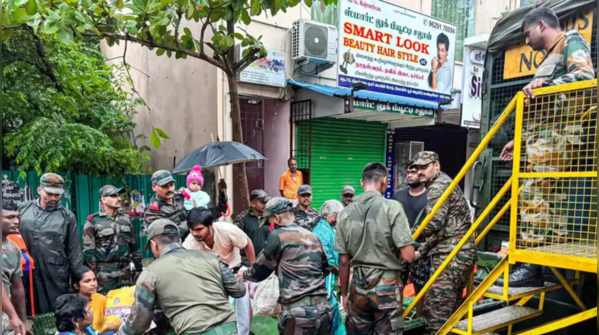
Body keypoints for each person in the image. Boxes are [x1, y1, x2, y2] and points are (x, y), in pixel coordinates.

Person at [499, 7, 595, 288]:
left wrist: (547, 84)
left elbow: (586, 76)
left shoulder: (571, 40)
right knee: (551, 197)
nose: (526, 42)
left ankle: (532, 264)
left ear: (541, 25)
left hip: (560, 135)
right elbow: (545, 108)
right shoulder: (549, 56)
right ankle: (547, 257)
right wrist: (520, 139)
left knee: (532, 191)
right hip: (547, 136)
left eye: (527, 34)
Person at [118, 219, 246, 335]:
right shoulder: (213, 259)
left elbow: (139, 323)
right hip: (230, 331)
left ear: (153, 244)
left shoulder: (150, 274)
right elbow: (239, 290)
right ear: (179, 241)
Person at [335, 162, 416, 335]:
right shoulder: (392, 207)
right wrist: (421, 251)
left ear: (361, 182)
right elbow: (408, 256)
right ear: (385, 181)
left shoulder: (344, 213)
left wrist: (343, 294)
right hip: (386, 288)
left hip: (358, 287)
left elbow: (343, 260)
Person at [239, 197, 332, 335]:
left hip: (299, 314)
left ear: (276, 218)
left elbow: (259, 272)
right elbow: (325, 268)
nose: (270, 226)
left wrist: (244, 274)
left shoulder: (278, 236)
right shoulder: (312, 236)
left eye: (269, 222)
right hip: (324, 310)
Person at [409, 152, 477, 335]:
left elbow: (433, 224)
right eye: (418, 168)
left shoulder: (437, 186)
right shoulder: (445, 181)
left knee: (436, 310)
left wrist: (406, 237)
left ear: (436, 166)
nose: (420, 172)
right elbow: (443, 230)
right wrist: (421, 251)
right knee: (451, 309)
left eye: (425, 167)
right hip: (461, 253)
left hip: (451, 256)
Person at [182, 208, 255, 335]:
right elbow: (184, 265)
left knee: (242, 305)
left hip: (234, 272)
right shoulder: (189, 242)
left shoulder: (227, 230)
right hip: (210, 277)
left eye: (199, 229)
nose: (195, 233)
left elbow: (247, 243)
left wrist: (253, 269)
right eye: (192, 230)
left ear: (210, 226)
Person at [18, 173, 84, 314]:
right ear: (40, 190)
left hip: (55, 274)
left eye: (57, 195)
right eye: (49, 194)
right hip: (24, 271)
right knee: (24, 307)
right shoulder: (22, 210)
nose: (53, 198)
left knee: (56, 309)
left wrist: (79, 277)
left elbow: (73, 249)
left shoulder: (67, 216)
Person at [83, 186, 143, 294]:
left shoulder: (126, 219)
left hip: (126, 272)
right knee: (106, 304)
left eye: (119, 195)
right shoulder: (93, 221)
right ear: (103, 199)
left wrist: (138, 267)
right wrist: (93, 274)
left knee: (125, 306)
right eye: (114, 196)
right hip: (105, 274)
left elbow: (134, 244)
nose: (119, 198)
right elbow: (88, 250)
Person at [393, 166, 429, 317]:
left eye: (413, 172)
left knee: (421, 284)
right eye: (408, 172)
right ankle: (398, 316)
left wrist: (422, 249)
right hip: (401, 247)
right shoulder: (398, 195)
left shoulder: (430, 196)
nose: (409, 175)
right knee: (398, 282)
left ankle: (419, 318)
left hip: (421, 248)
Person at [312, 200, 346, 335]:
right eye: (336, 216)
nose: (337, 219)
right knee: (329, 304)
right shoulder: (322, 231)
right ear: (329, 215)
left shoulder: (328, 228)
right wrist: (339, 273)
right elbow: (328, 261)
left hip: (328, 276)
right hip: (326, 275)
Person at [2, 201, 29, 335]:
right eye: (10, 217)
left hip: (5, 319)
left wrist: (23, 319)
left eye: (18, 217)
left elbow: (17, 287)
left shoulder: (14, 249)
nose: (16, 221)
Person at [144, 171, 189, 238]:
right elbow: (167, 236)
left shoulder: (180, 197)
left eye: (171, 185)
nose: (170, 189)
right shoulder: (152, 211)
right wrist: (190, 222)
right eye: (164, 186)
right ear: (154, 187)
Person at [234, 190, 272, 261]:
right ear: (253, 204)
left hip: (266, 260)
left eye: (266, 202)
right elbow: (235, 238)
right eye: (262, 202)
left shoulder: (270, 217)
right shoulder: (242, 219)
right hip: (246, 261)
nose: (265, 205)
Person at [72, 267, 106, 334]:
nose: (93, 284)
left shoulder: (101, 299)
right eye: (87, 281)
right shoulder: (70, 305)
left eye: (94, 279)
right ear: (76, 286)